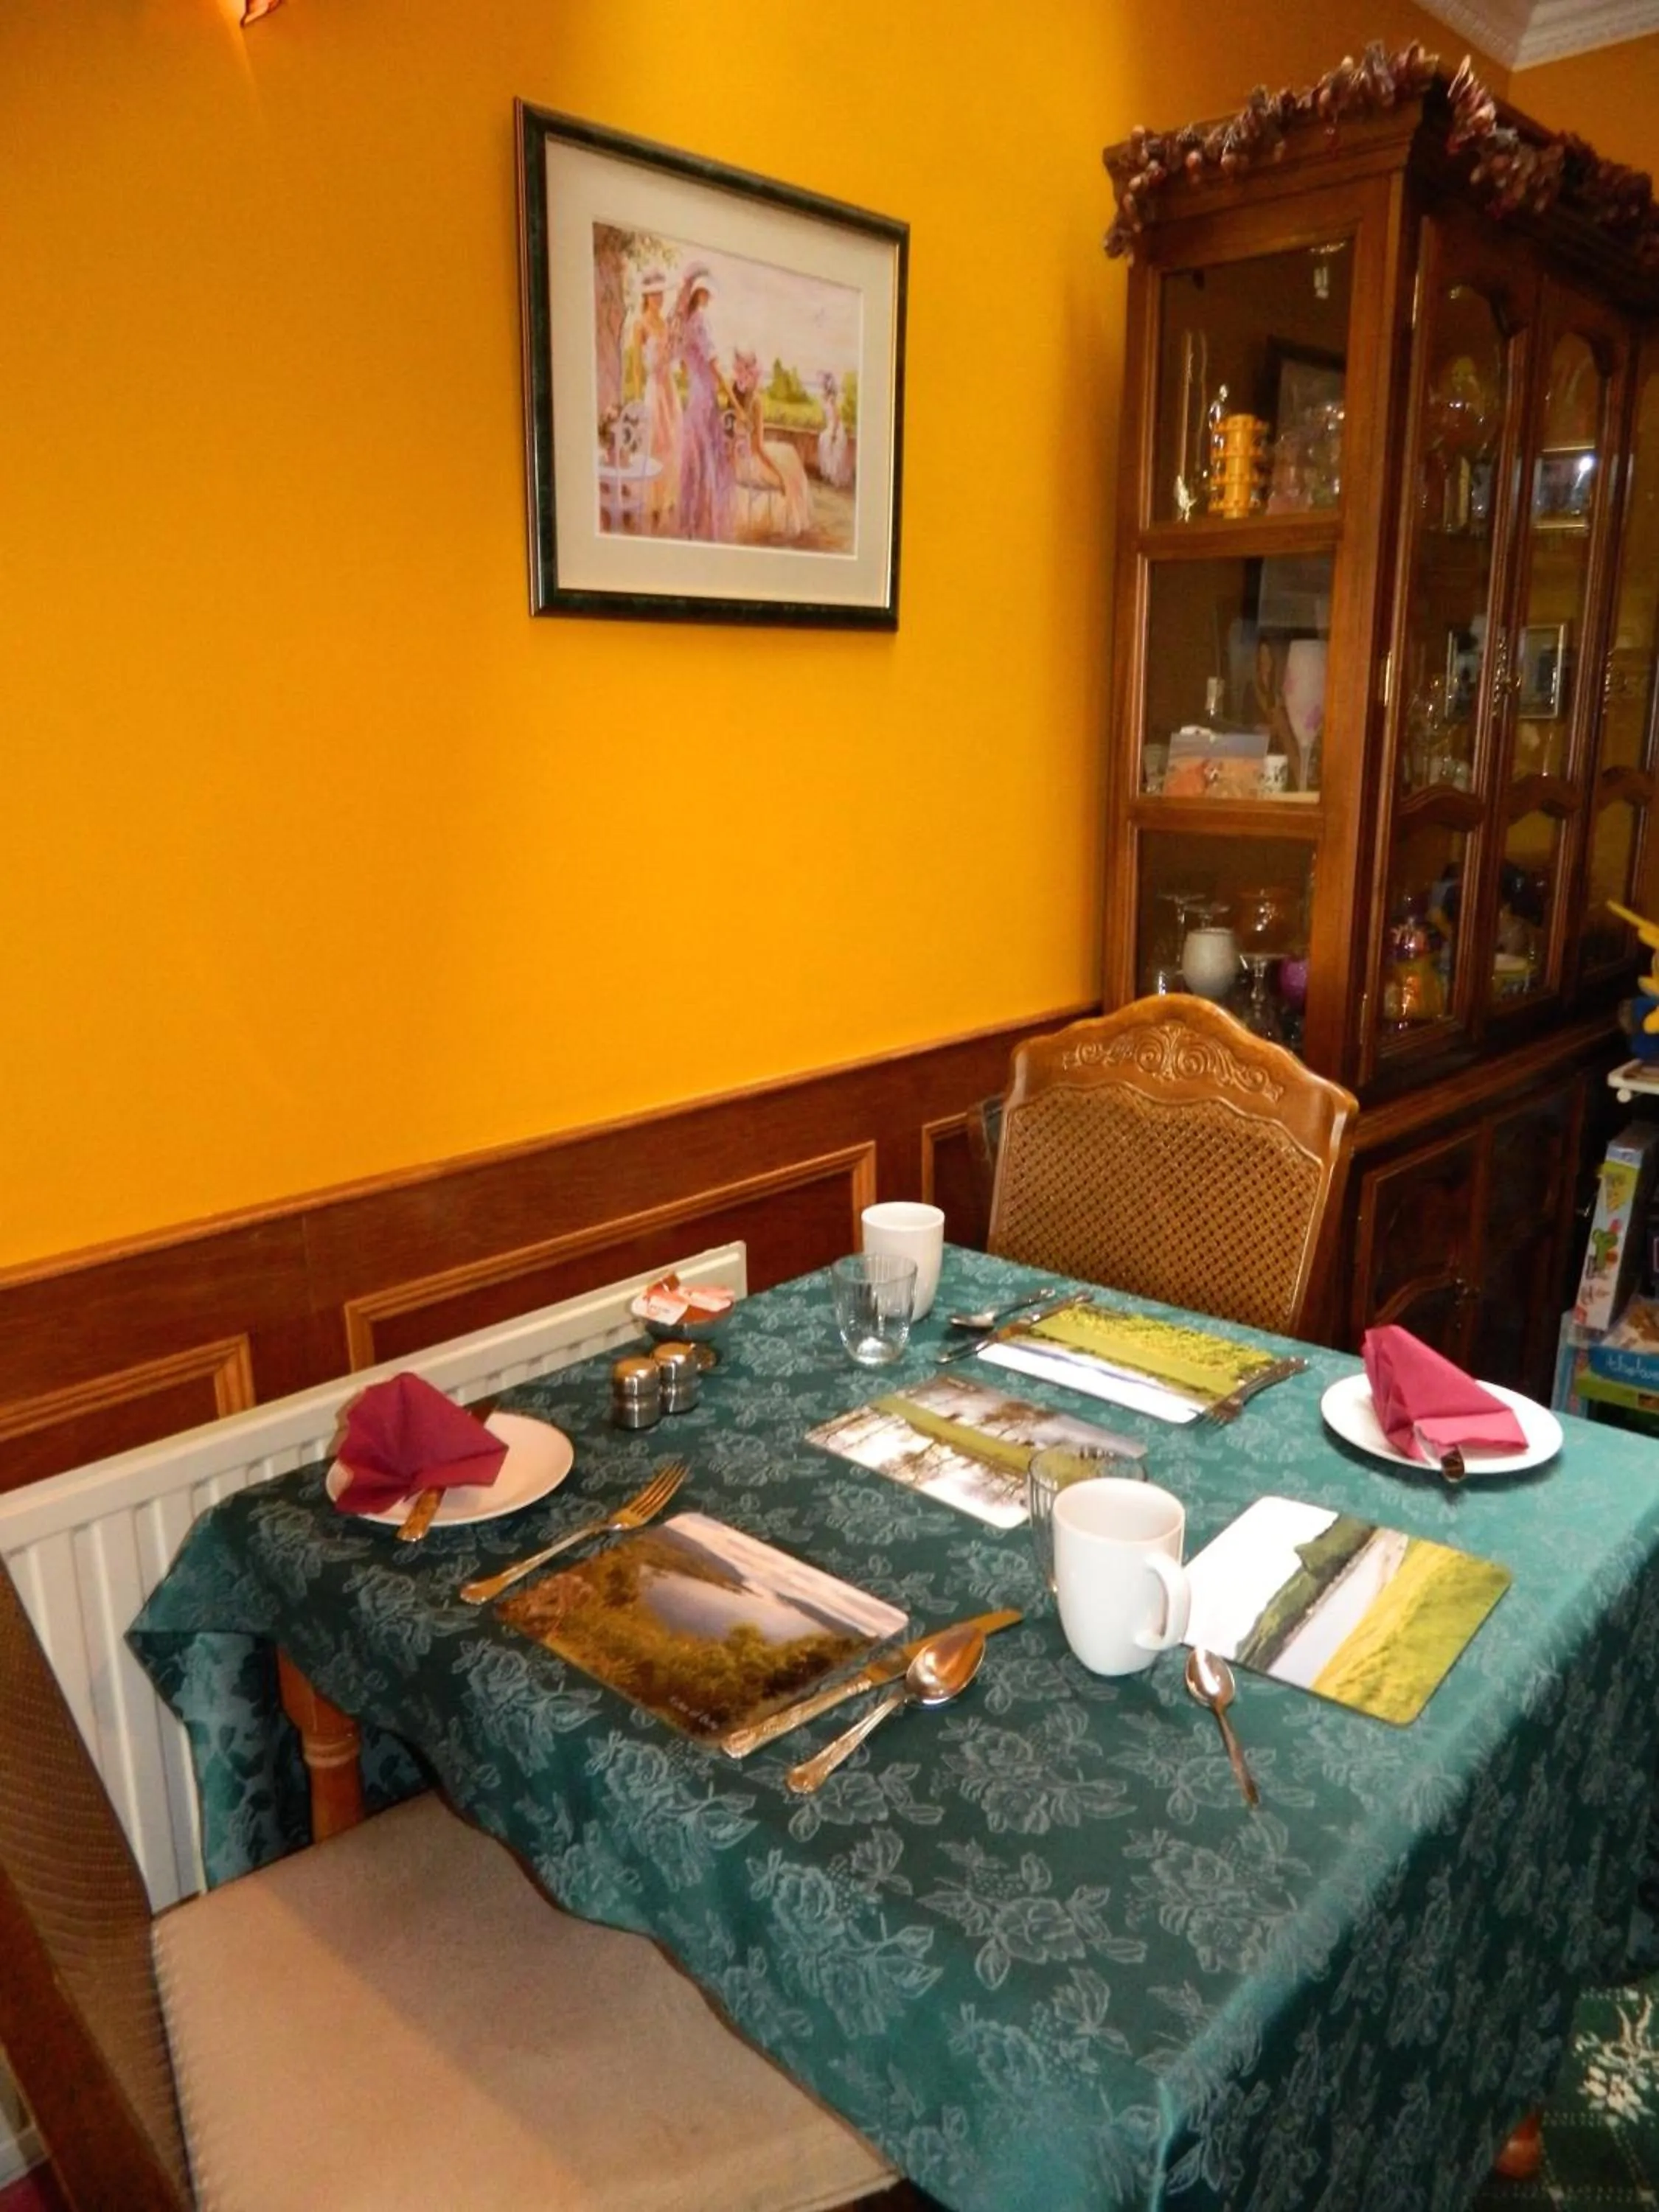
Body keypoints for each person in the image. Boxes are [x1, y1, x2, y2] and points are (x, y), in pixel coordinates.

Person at [669, 265, 732, 542]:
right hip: (705, 398)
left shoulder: (686, 323)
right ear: (701, 293)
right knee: (707, 459)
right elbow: (714, 365)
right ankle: (705, 525)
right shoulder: (702, 321)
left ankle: (692, 523)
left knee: (694, 460)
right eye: (707, 293)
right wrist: (736, 403)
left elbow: (685, 367)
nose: (709, 299)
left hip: (694, 399)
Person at [728, 349, 813, 542]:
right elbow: (758, 448)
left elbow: (736, 438)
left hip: (737, 461)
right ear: (752, 377)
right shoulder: (756, 403)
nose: (758, 380)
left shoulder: (738, 401)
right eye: (757, 376)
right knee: (790, 473)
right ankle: (788, 525)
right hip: (748, 464)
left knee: (787, 454)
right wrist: (780, 475)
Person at [627, 268, 681, 530]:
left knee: (671, 442)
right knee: (655, 443)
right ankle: (653, 503)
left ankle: (666, 502)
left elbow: (672, 357)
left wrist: (672, 352)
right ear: (646, 297)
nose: (659, 298)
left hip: (668, 388)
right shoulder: (640, 324)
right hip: (653, 389)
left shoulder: (667, 324)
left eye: (661, 294)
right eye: (654, 294)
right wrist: (637, 400)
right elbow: (637, 367)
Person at [816, 372, 852, 489]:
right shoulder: (824, 398)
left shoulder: (832, 399)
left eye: (824, 384)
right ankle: (828, 474)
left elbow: (837, 417)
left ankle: (833, 477)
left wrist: (833, 432)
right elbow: (825, 416)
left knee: (829, 443)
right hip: (830, 426)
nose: (822, 386)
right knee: (823, 441)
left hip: (836, 427)